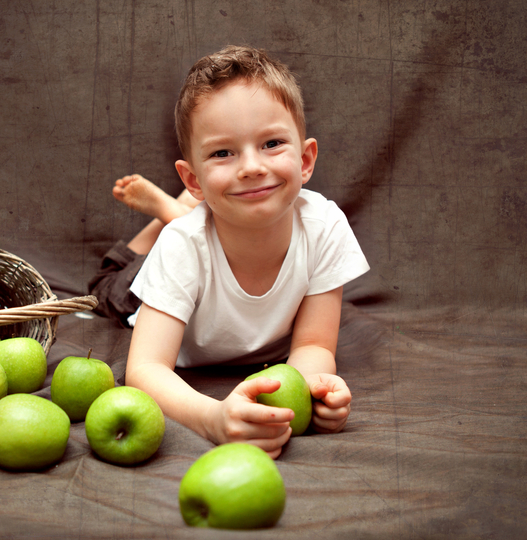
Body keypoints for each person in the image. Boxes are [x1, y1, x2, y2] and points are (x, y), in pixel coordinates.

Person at [89, 45, 370, 458]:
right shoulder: (183, 247)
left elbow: (314, 345)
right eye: (223, 153)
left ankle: (183, 208)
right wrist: (212, 417)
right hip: (151, 283)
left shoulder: (324, 227)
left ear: (306, 160)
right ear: (193, 179)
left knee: (193, 227)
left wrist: (310, 393)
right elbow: (145, 369)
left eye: (272, 143)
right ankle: (168, 215)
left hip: (200, 232)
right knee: (107, 286)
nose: (252, 167)